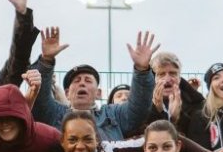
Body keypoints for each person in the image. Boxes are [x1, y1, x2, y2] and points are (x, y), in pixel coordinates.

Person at [28, 26, 158, 141]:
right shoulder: (54, 114)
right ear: (67, 93)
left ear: (98, 93)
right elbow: (40, 100)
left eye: (88, 80)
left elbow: (138, 107)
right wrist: (46, 61)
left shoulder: (113, 115)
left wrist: (142, 70)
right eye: (77, 81)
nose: (82, 84)